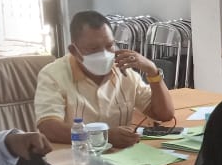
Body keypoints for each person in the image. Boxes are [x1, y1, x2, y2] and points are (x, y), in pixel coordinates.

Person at [35, 10, 176, 148]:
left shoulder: (124, 71)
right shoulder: (53, 75)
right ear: (74, 51)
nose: (104, 54)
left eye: (109, 46)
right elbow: (48, 127)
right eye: (93, 49)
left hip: (123, 157)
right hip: (75, 156)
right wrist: (103, 136)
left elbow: (164, 114)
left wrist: (152, 71)